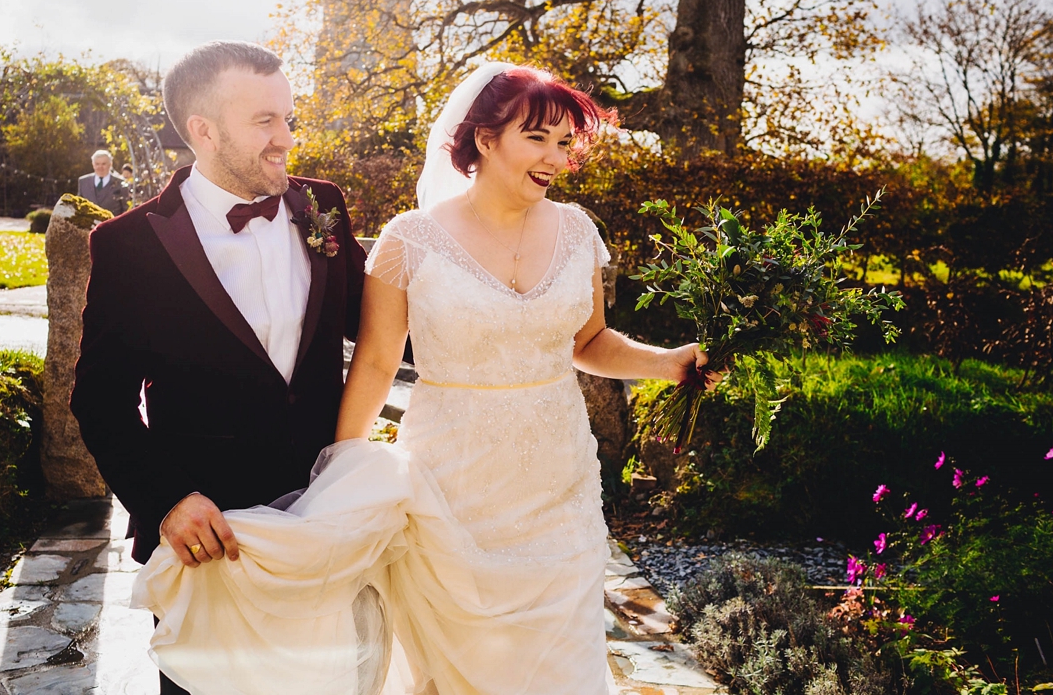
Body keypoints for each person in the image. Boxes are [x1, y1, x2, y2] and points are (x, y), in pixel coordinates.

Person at [130, 63, 721, 695]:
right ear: (485, 140)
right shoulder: (410, 239)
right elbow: (378, 362)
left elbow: (589, 342)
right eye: (537, 138)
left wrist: (669, 361)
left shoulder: (579, 230)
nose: (556, 157)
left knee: (559, 653)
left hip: (559, 479)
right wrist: (342, 468)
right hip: (450, 481)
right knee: (455, 652)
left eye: (565, 141)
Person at [69, 41, 368, 695]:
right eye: (266, 121)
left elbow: (372, 325)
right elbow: (100, 400)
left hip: (323, 525)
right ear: (202, 131)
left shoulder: (322, 209)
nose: (287, 138)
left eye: (288, 118)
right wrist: (165, 500)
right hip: (208, 542)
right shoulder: (130, 246)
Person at [76, 149, 130, 215]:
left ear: (110, 164)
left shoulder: (121, 183)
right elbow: (78, 205)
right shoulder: (83, 182)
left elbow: (126, 210)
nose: (100, 167)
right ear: (93, 165)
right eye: (97, 164)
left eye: (104, 164)